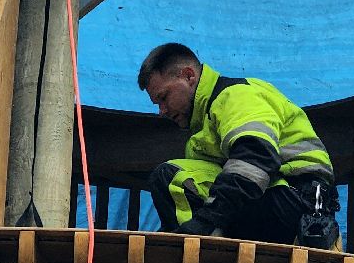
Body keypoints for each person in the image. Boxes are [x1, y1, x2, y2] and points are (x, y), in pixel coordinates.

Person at [138, 42, 338, 245]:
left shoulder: (236, 95)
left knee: (172, 177)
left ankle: (197, 256)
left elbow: (257, 158)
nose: (161, 111)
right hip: (279, 199)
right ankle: (197, 252)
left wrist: (203, 222)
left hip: (296, 201)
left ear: (189, 76)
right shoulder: (204, 127)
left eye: (164, 97)